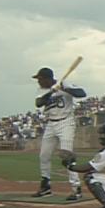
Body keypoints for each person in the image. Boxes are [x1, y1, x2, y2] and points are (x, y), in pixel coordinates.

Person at [31, 67, 87, 200]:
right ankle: (46, 187)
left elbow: (82, 93)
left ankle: (76, 189)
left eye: (40, 79)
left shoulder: (65, 83)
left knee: (66, 155)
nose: (39, 82)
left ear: (48, 79)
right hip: (51, 124)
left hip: (66, 122)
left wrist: (63, 88)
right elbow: (39, 103)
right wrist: (52, 91)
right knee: (44, 155)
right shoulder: (42, 90)